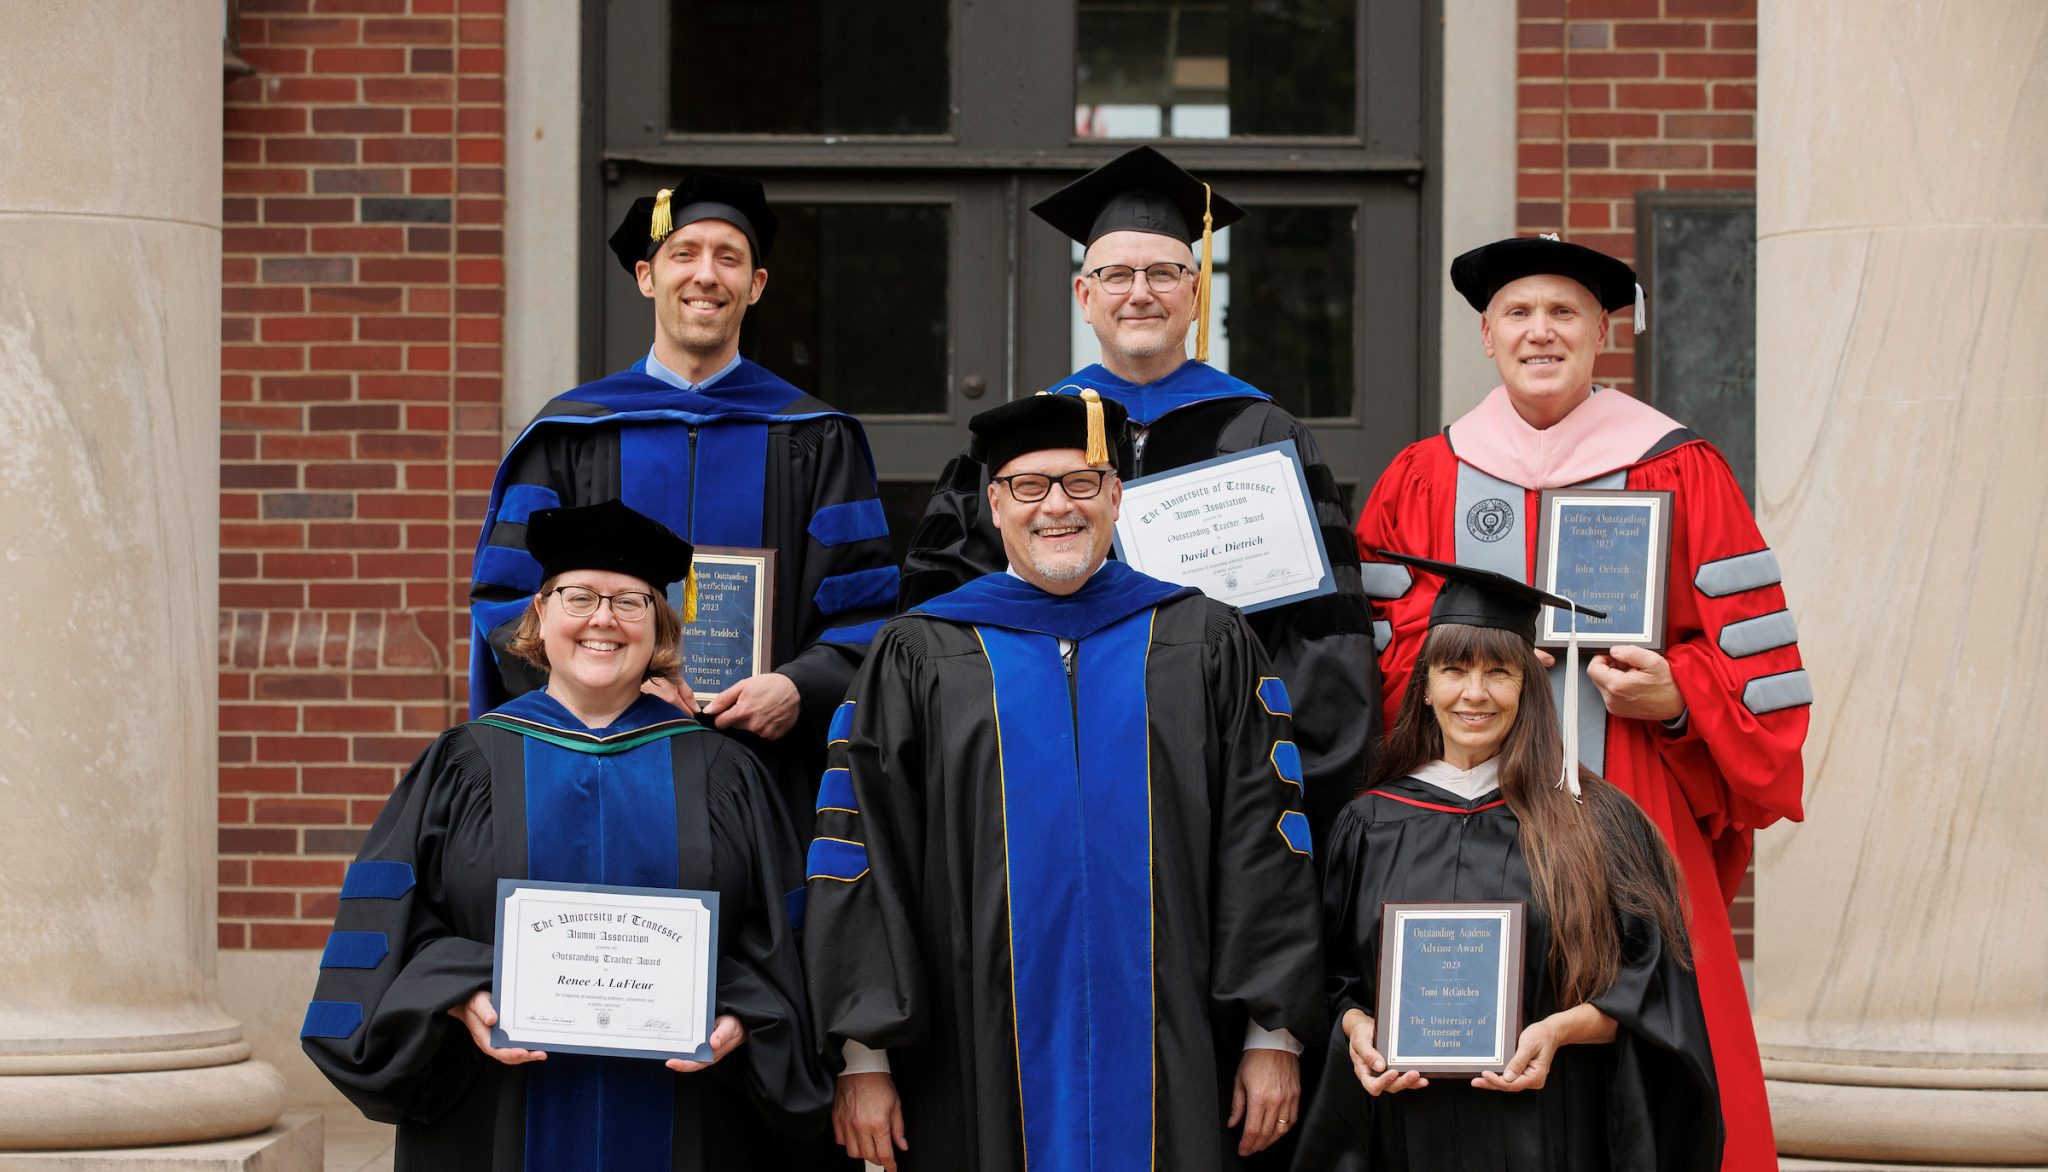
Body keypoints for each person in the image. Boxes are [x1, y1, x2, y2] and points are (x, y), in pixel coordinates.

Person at [1353, 234, 1807, 1171]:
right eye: (1519, 313)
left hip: (1628, 795)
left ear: (1605, 331)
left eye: (1564, 313)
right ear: (1486, 334)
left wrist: (1680, 697)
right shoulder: (1423, 477)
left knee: (1646, 1031)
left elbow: (1757, 668)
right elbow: (1376, 664)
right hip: (1459, 817)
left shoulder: (1680, 468)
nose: (1541, 332)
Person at [805, 391, 1323, 1171]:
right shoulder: (919, 654)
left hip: (1176, 1046)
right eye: (1030, 486)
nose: (1058, 507)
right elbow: (863, 851)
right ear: (993, 505)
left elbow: (1265, 840)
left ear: (1117, 496)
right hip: (967, 1047)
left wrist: (1271, 1035)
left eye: (1082, 483)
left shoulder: (1208, 640)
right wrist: (864, 1056)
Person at [303, 500, 835, 1170]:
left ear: (659, 627)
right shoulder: (464, 763)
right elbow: (393, 929)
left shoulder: (724, 773)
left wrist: (749, 1017)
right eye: (578, 597)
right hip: (494, 1105)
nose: (602, 619)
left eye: (630, 601)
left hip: (688, 1112)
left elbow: (781, 943)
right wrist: (458, 994)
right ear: (540, 613)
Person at [898, 145, 1379, 845]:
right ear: (1084, 295)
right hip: (1046, 779)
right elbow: (946, 608)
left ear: (1194, 289)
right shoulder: (1025, 441)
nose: (1140, 292)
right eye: (1116, 274)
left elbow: (1322, 638)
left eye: (1163, 272)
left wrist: (1273, 785)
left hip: (1219, 789)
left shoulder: (1264, 435)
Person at [468, 172, 895, 835]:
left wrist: (798, 688)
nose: (706, 275)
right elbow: (507, 603)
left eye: (729, 257)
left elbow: (865, 609)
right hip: (591, 764)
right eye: (684, 253)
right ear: (647, 276)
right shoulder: (570, 435)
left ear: (754, 285)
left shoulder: (814, 439)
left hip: (763, 780)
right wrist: (609, 688)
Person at [1295, 551, 1721, 1172]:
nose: (1475, 693)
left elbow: (1654, 992)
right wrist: (1356, 1029)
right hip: (1405, 1133)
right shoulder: (1370, 822)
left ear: (1529, 685)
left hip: (1550, 1131)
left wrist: (1557, 1031)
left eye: (1499, 672)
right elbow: (1330, 979)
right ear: (1425, 684)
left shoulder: (1595, 820)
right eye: (1454, 670)